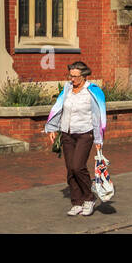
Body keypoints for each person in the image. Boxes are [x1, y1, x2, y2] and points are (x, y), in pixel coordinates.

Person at [44, 60, 106, 216]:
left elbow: (100, 117)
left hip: (85, 133)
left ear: (84, 76)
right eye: (70, 76)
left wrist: (99, 140)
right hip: (67, 134)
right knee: (70, 169)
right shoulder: (67, 89)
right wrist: (53, 128)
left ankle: (89, 198)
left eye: (75, 77)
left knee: (78, 166)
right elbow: (58, 108)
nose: (72, 79)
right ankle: (77, 202)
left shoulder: (93, 91)